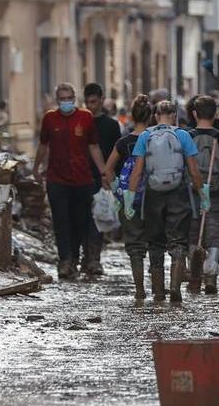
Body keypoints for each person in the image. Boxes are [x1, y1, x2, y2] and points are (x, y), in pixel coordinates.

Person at [125, 100, 205, 303]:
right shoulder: (183, 135)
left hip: (153, 194)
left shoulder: (145, 136)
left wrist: (129, 199)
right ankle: (175, 287)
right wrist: (204, 196)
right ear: (175, 115)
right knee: (178, 241)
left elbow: (137, 172)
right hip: (179, 193)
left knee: (155, 242)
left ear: (155, 116)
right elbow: (194, 171)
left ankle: (159, 292)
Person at [35, 83, 108, 280]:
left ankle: (75, 258)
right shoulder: (50, 119)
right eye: (62, 99)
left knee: (79, 221)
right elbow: (43, 145)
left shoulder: (85, 118)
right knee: (60, 221)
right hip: (56, 178)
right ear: (57, 100)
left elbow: (93, 147)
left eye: (69, 98)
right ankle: (65, 261)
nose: (66, 102)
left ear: (74, 99)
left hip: (81, 179)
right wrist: (36, 168)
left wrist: (103, 172)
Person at [103, 94, 152, 303]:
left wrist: (118, 190)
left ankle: (140, 289)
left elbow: (108, 170)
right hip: (154, 197)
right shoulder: (154, 139)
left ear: (132, 116)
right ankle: (160, 289)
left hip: (129, 200)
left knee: (134, 245)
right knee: (157, 244)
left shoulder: (123, 142)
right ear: (151, 117)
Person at [186, 96, 219, 294]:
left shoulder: (187, 136)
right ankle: (211, 277)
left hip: (191, 195)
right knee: (215, 237)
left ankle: (194, 277)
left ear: (194, 114)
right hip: (215, 194)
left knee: (192, 237)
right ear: (215, 114)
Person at [82, 83, 121, 277]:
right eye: (87, 102)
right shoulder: (80, 123)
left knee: (98, 218)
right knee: (81, 218)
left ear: (101, 99)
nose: (91, 106)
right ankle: (84, 256)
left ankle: (94, 258)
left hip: (101, 178)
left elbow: (118, 152)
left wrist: (112, 177)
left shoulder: (111, 125)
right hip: (80, 176)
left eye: (94, 101)